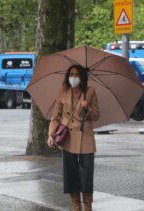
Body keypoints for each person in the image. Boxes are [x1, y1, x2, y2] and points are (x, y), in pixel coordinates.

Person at [47, 64, 100, 211]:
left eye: (77, 75)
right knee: (71, 172)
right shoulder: (63, 91)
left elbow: (96, 115)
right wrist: (51, 134)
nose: (73, 77)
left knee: (87, 173)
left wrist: (87, 108)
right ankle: (75, 205)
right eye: (71, 74)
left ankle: (88, 205)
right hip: (68, 138)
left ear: (82, 77)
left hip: (86, 138)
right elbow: (56, 116)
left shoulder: (90, 92)